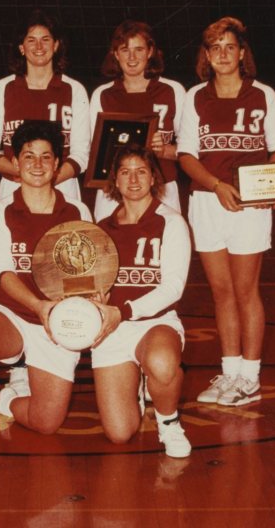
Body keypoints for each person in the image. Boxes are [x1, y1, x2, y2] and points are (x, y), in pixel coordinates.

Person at [0, 121, 92, 464]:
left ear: (58, 165)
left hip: (57, 322)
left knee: (46, 423)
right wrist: (39, 306)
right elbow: (2, 273)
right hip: (13, 313)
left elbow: (88, 274)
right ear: (15, 162)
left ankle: (5, 401)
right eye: (28, 156)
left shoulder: (77, 211)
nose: (37, 164)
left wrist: (68, 311)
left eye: (46, 157)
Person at [177, 17, 275, 407]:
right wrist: (216, 185)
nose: (223, 54)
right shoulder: (195, 96)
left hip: (249, 207)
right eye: (215, 48)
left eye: (230, 47)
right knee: (221, 293)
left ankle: (250, 377)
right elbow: (186, 154)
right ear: (206, 56)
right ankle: (229, 373)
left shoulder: (263, 95)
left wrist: (264, 187)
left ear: (242, 53)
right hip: (208, 202)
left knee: (245, 292)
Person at [91, 144, 192, 458]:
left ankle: (168, 420)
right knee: (120, 434)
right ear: (115, 182)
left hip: (155, 324)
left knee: (162, 364)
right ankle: (134, 385)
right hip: (113, 328)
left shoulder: (171, 223)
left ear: (153, 179)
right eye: (125, 172)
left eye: (141, 171)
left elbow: (173, 288)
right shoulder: (101, 229)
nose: (133, 179)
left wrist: (123, 311)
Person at [0, 10, 90, 202]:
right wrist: (24, 173)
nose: (39, 46)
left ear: (56, 45)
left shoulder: (74, 90)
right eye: (31, 40)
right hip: (15, 187)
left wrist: (48, 178)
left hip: (62, 188)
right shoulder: (1, 89)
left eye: (45, 39)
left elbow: (81, 154)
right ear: (21, 47)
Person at [90, 20, 186, 221]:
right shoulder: (103, 95)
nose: (132, 57)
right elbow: (96, 151)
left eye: (139, 49)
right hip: (114, 189)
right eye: (125, 50)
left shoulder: (172, 91)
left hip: (163, 186)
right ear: (115, 54)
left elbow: (189, 149)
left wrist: (164, 150)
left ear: (150, 51)